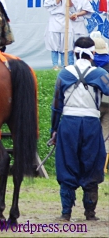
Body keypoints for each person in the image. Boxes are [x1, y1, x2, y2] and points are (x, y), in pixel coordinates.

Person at [50, 36, 109, 221]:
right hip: (91, 124)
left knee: (67, 164)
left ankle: (66, 212)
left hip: (68, 124)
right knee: (91, 164)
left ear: (75, 53)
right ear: (92, 54)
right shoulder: (99, 74)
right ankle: (90, 213)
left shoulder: (64, 74)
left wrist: (54, 130)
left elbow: (56, 105)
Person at [44, 0, 93, 69]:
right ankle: (55, 65)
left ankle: (64, 64)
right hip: (55, 20)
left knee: (65, 44)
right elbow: (56, 2)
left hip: (65, 20)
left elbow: (72, 7)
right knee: (54, 43)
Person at [90, 31, 109, 174]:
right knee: (106, 134)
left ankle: (91, 163)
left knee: (91, 134)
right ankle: (103, 167)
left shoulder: (90, 63)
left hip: (93, 102)